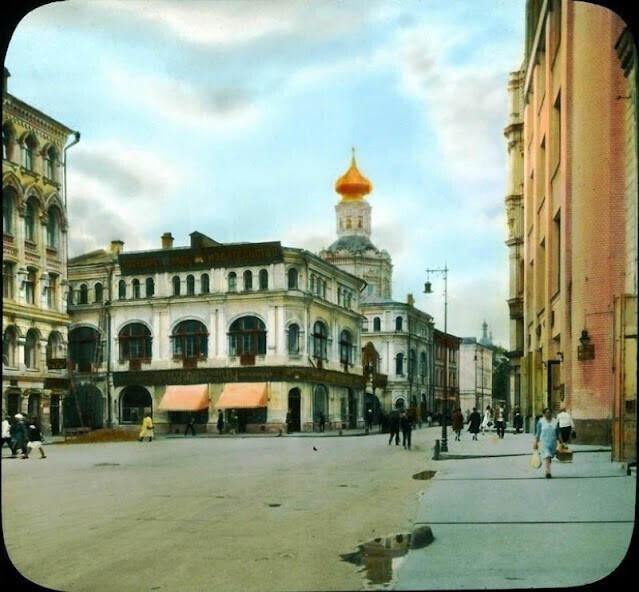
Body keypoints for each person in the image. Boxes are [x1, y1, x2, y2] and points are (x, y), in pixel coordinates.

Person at [534, 407, 560, 478]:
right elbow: (538, 433)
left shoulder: (555, 421)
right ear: (544, 414)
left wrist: (561, 442)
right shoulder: (541, 422)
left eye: (549, 412)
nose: (548, 414)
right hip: (544, 442)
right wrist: (536, 442)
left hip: (553, 442)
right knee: (547, 455)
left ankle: (548, 464)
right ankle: (548, 472)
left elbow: (558, 433)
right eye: (546, 412)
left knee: (549, 456)